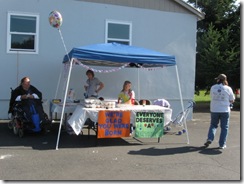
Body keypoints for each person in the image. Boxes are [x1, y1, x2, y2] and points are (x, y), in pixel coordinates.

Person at [204, 74, 235, 149]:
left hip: (214, 109)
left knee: (213, 125)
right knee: (224, 127)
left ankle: (210, 138)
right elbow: (232, 100)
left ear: (218, 80)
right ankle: (222, 144)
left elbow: (211, 96)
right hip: (225, 110)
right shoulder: (228, 88)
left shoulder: (213, 87)